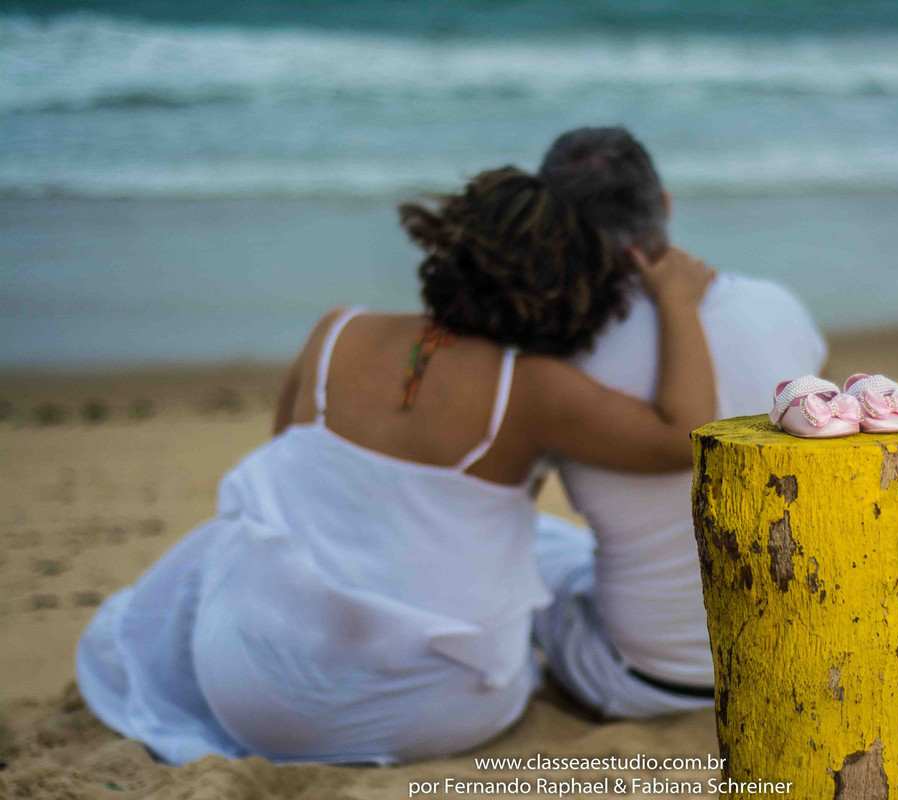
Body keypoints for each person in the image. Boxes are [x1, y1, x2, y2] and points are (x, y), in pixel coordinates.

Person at [75, 167, 717, 765]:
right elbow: (684, 434)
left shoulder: (335, 333)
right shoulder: (532, 389)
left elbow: (291, 492)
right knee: (548, 554)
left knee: (239, 544)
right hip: (436, 714)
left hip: (253, 697)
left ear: (447, 248)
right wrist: (677, 302)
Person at [532, 128, 827, 718]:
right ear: (664, 204)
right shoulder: (778, 307)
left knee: (535, 545)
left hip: (651, 681)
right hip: (787, 665)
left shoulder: (562, 354)